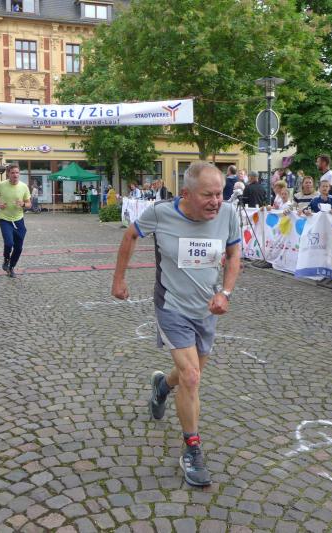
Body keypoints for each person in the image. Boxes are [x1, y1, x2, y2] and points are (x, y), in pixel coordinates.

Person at [111, 161, 241, 488]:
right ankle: (192, 450)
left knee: (188, 375)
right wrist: (119, 279)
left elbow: (234, 254)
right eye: (208, 195)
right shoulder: (161, 213)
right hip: (171, 306)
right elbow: (130, 235)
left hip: (207, 308)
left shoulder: (227, 214)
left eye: (220, 194)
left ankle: (162, 387)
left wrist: (225, 293)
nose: (216, 201)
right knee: (192, 377)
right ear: (186, 194)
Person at [0, 164, 31, 278]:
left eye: (17, 172)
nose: (15, 175)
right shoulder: (1, 185)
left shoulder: (24, 186)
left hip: (19, 220)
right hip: (5, 219)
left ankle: (11, 267)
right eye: (12, 173)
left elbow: (29, 204)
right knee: (9, 243)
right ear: (8, 174)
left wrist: (23, 204)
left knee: (18, 248)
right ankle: (6, 258)